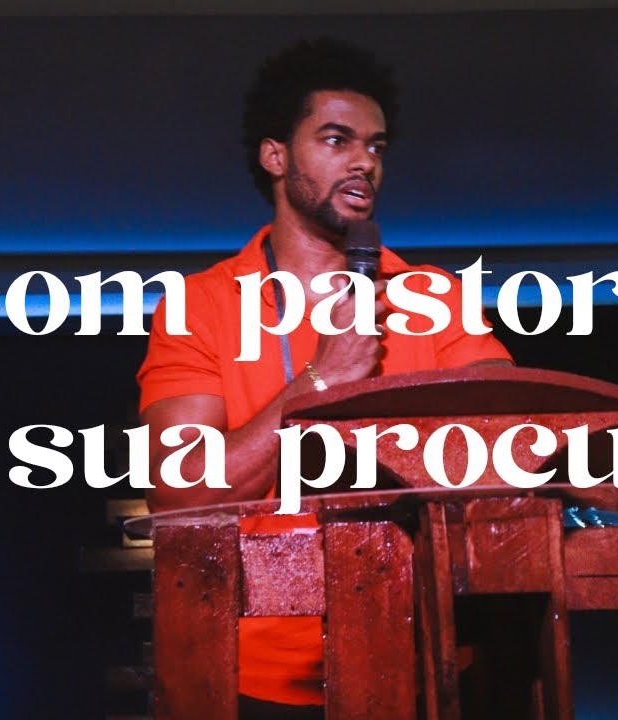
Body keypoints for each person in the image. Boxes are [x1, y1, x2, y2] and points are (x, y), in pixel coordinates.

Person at [136, 37, 512, 719]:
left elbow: (515, 430)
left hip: (427, 660)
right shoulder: (199, 306)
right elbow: (180, 495)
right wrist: (317, 383)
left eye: (376, 146)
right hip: (262, 678)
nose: (365, 161)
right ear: (275, 156)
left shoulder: (435, 296)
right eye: (337, 140)